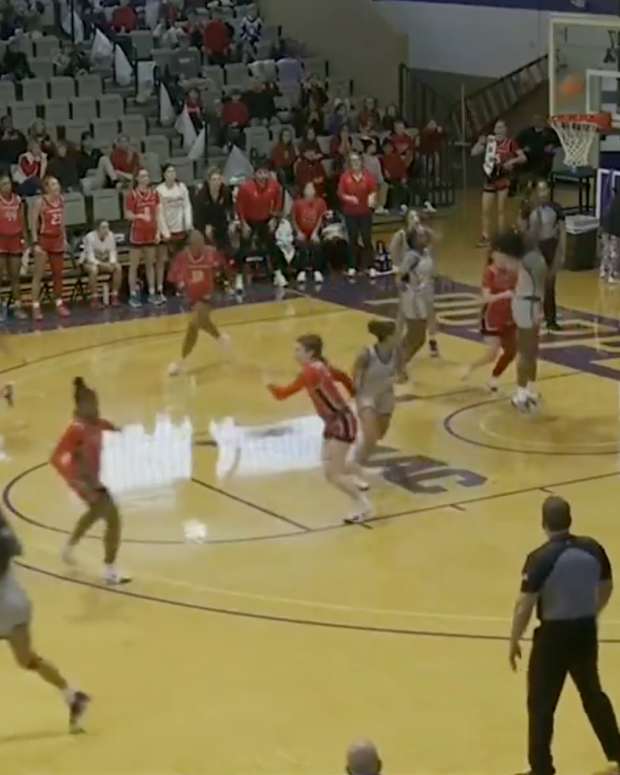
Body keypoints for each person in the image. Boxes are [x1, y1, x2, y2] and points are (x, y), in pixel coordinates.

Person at [509, 495, 620, 775]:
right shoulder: (593, 548)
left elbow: (525, 604)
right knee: (593, 695)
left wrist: (514, 640)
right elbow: (607, 586)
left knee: (541, 704)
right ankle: (617, 751)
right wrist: (592, 611)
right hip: (584, 631)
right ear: (569, 519)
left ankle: (541, 768)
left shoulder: (539, 558)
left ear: (544, 522)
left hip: (552, 638)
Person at [0, 508, 90, 732]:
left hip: (6, 607)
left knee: (27, 659)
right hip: (17, 607)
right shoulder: (7, 538)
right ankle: (72, 696)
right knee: (28, 660)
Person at [267, 334, 373, 525]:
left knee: (332, 475)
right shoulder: (320, 366)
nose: (295, 354)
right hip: (335, 421)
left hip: (341, 422)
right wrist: (353, 393)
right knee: (328, 461)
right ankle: (360, 476)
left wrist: (268, 384)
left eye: (298, 350)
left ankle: (362, 505)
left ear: (310, 352)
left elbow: (282, 395)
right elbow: (341, 376)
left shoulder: (309, 373)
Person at [51, 378, 130, 586]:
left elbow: (108, 429)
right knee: (113, 518)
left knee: (95, 514)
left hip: (96, 479)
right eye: (92, 404)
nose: (97, 407)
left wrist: (119, 431)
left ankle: (68, 548)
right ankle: (109, 569)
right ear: (81, 406)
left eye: (97, 402)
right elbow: (56, 458)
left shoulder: (98, 423)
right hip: (85, 482)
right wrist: (75, 481)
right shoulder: (76, 429)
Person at [491, 230, 546, 412]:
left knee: (532, 350)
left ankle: (529, 389)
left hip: (532, 304)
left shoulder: (531, 258)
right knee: (526, 350)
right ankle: (521, 394)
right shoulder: (530, 259)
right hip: (526, 305)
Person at [167, 229, 232, 376]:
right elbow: (173, 275)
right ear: (190, 245)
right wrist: (181, 283)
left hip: (209, 296)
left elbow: (225, 268)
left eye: (203, 242)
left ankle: (181, 362)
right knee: (202, 322)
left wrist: (225, 282)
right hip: (191, 298)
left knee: (193, 324)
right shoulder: (182, 257)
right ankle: (221, 338)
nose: (202, 245)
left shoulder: (211, 252)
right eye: (198, 243)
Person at [390, 211, 437, 381]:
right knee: (415, 337)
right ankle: (398, 367)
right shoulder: (412, 256)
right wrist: (405, 286)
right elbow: (399, 276)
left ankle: (397, 365)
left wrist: (422, 226)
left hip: (423, 298)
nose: (424, 236)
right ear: (414, 240)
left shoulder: (424, 253)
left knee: (417, 338)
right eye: (420, 235)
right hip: (415, 299)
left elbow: (435, 236)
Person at [461, 251, 517, 392]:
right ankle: (471, 367)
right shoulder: (489, 273)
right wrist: (505, 294)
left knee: (511, 351)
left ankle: (494, 378)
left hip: (509, 316)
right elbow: (486, 298)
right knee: (492, 353)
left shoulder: (512, 271)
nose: (504, 258)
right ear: (493, 256)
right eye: (501, 255)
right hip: (492, 316)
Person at [471, 120, 526, 247]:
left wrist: (511, 162)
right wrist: (479, 143)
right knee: (485, 210)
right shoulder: (490, 142)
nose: (499, 130)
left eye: (502, 127)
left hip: (503, 178)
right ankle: (485, 236)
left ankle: (501, 238)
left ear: (506, 129)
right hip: (490, 178)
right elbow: (474, 152)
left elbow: (523, 158)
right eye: (497, 128)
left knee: (501, 210)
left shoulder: (511, 143)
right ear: (494, 130)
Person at [520, 179, 565, 331]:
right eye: (540, 190)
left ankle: (550, 319)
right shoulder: (528, 210)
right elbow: (523, 231)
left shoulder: (556, 209)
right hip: (535, 247)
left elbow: (562, 232)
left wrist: (561, 252)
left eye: (546, 190)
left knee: (550, 285)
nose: (544, 193)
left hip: (550, 246)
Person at [353, 320, 397, 465]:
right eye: (396, 334)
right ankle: (356, 464)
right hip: (367, 395)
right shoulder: (367, 353)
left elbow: (403, 374)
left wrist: (399, 378)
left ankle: (361, 448)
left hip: (386, 395)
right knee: (371, 435)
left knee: (380, 434)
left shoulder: (397, 353)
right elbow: (356, 372)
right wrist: (358, 388)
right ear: (389, 337)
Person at [235, 160, 282, 292]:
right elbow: (239, 207)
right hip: (249, 220)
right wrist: (243, 223)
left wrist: (274, 218)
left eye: (265, 173)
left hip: (265, 219)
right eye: (260, 173)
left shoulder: (274, 186)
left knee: (272, 245)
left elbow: (278, 201)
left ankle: (278, 274)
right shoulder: (245, 188)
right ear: (255, 175)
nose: (262, 176)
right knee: (243, 248)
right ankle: (238, 278)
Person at [30, 176, 70, 321]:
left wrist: (64, 238)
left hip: (57, 239)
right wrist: (35, 243)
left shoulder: (61, 200)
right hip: (44, 239)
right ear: (46, 188)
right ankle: (35, 305)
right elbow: (33, 224)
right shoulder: (40, 202)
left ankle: (58, 302)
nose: (57, 186)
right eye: (53, 184)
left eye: (57, 183)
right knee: (38, 275)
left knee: (58, 274)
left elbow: (62, 222)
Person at [125, 168, 162, 308]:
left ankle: (152, 293)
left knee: (150, 264)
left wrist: (158, 232)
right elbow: (128, 215)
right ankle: (133, 294)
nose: (145, 178)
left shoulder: (154, 194)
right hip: (137, 234)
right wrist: (139, 216)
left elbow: (158, 214)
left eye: (147, 175)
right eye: (142, 176)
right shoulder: (132, 195)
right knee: (133, 265)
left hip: (151, 233)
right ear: (137, 179)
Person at [156, 163, 193, 299]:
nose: (172, 174)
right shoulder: (160, 190)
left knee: (182, 259)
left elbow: (187, 206)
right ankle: (165, 288)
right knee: (168, 260)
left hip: (181, 229)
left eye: (173, 171)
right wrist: (164, 231)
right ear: (164, 175)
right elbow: (159, 213)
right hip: (168, 231)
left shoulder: (182, 188)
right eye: (169, 172)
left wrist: (188, 223)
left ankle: (182, 285)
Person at [338, 152, 377, 278]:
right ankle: (352, 266)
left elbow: (373, 190)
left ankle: (370, 266)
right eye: (352, 161)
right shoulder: (345, 177)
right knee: (352, 239)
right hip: (350, 214)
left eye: (357, 160)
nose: (355, 163)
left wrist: (372, 198)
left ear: (361, 162)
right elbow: (340, 193)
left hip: (365, 213)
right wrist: (349, 198)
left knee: (366, 238)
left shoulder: (368, 176)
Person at [0, 174, 26, 320]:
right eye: (3, 184)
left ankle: (18, 307)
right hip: (1, 241)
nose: (7, 186)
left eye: (8, 183)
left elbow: (22, 221)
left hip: (15, 240)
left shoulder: (17, 200)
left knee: (15, 277)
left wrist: (25, 240)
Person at [80, 220, 122, 308]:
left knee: (118, 267)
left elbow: (112, 252)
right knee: (94, 270)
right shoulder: (89, 237)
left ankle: (114, 296)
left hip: (104, 261)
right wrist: (104, 265)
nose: (106, 230)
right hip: (88, 262)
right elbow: (90, 257)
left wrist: (112, 263)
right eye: (103, 227)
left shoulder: (111, 235)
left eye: (107, 227)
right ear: (97, 229)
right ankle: (94, 299)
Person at [291, 182, 327, 284]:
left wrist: (315, 232)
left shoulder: (320, 202)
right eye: (307, 188)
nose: (309, 190)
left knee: (317, 244)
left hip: (315, 231)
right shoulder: (297, 203)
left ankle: (317, 270)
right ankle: (301, 271)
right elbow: (293, 219)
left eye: (311, 188)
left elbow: (321, 218)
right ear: (304, 190)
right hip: (301, 231)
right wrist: (298, 232)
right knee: (301, 244)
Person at [516, 115, 560, 183]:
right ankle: (526, 180)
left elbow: (559, 142)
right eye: (535, 120)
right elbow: (516, 143)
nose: (537, 122)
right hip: (528, 156)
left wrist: (552, 145)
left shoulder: (550, 132)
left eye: (540, 120)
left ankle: (538, 180)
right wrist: (522, 149)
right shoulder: (525, 132)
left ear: (544, 122)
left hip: (543, 156)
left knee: (545, 162)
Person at [381, 137, 408, 212]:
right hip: (387, 179)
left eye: (390, 147)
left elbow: (402, 169)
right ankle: (395, 207)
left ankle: (402, 205)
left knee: (403, 186)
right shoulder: (382, 158)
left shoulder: (397, 157)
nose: (388, 149)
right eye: (386, 147)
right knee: (394, 186)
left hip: (398, 178)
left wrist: (404, 177)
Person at [600, 187, 620, 283]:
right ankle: (611, 276)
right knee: (614, 253)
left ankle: (603, 271)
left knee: (606, 250)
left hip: (605, 229)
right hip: (613, 230)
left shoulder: (611, 201)